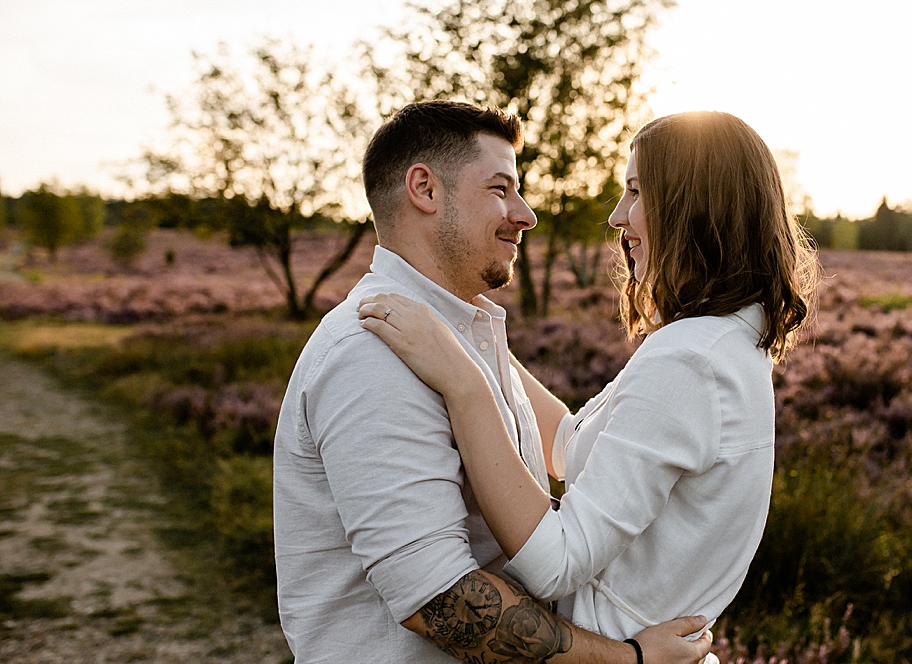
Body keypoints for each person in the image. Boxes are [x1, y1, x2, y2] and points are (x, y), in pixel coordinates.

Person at [358, 111, 820, 646]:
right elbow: (569, 444)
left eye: (636, 191)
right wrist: (468, 338)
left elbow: (555, 564)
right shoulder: (723, 345)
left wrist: (464, 384)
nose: (619, 216)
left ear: (693, 206)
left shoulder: (689, 362)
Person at [273, 100, 712, 664]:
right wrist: (629, 658)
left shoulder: (457, 338)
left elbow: (567, 449)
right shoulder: (371, 355)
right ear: (425, 190)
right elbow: (439, 601)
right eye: (500, 189)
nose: (525, 213)